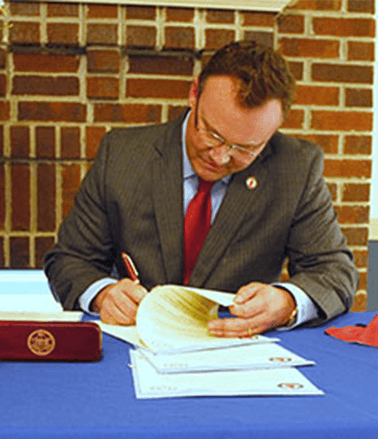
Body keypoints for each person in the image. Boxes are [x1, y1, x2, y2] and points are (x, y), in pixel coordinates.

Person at [44, 40, 359, 337]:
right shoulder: (123, 155)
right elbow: (70, 260)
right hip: (134, 345)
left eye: (245, 148)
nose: (221, 158)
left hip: (236, 349)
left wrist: (287, 303)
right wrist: (103, 294)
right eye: (213, 134)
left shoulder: (296, 167)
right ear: (194, 93)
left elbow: (335, 272)